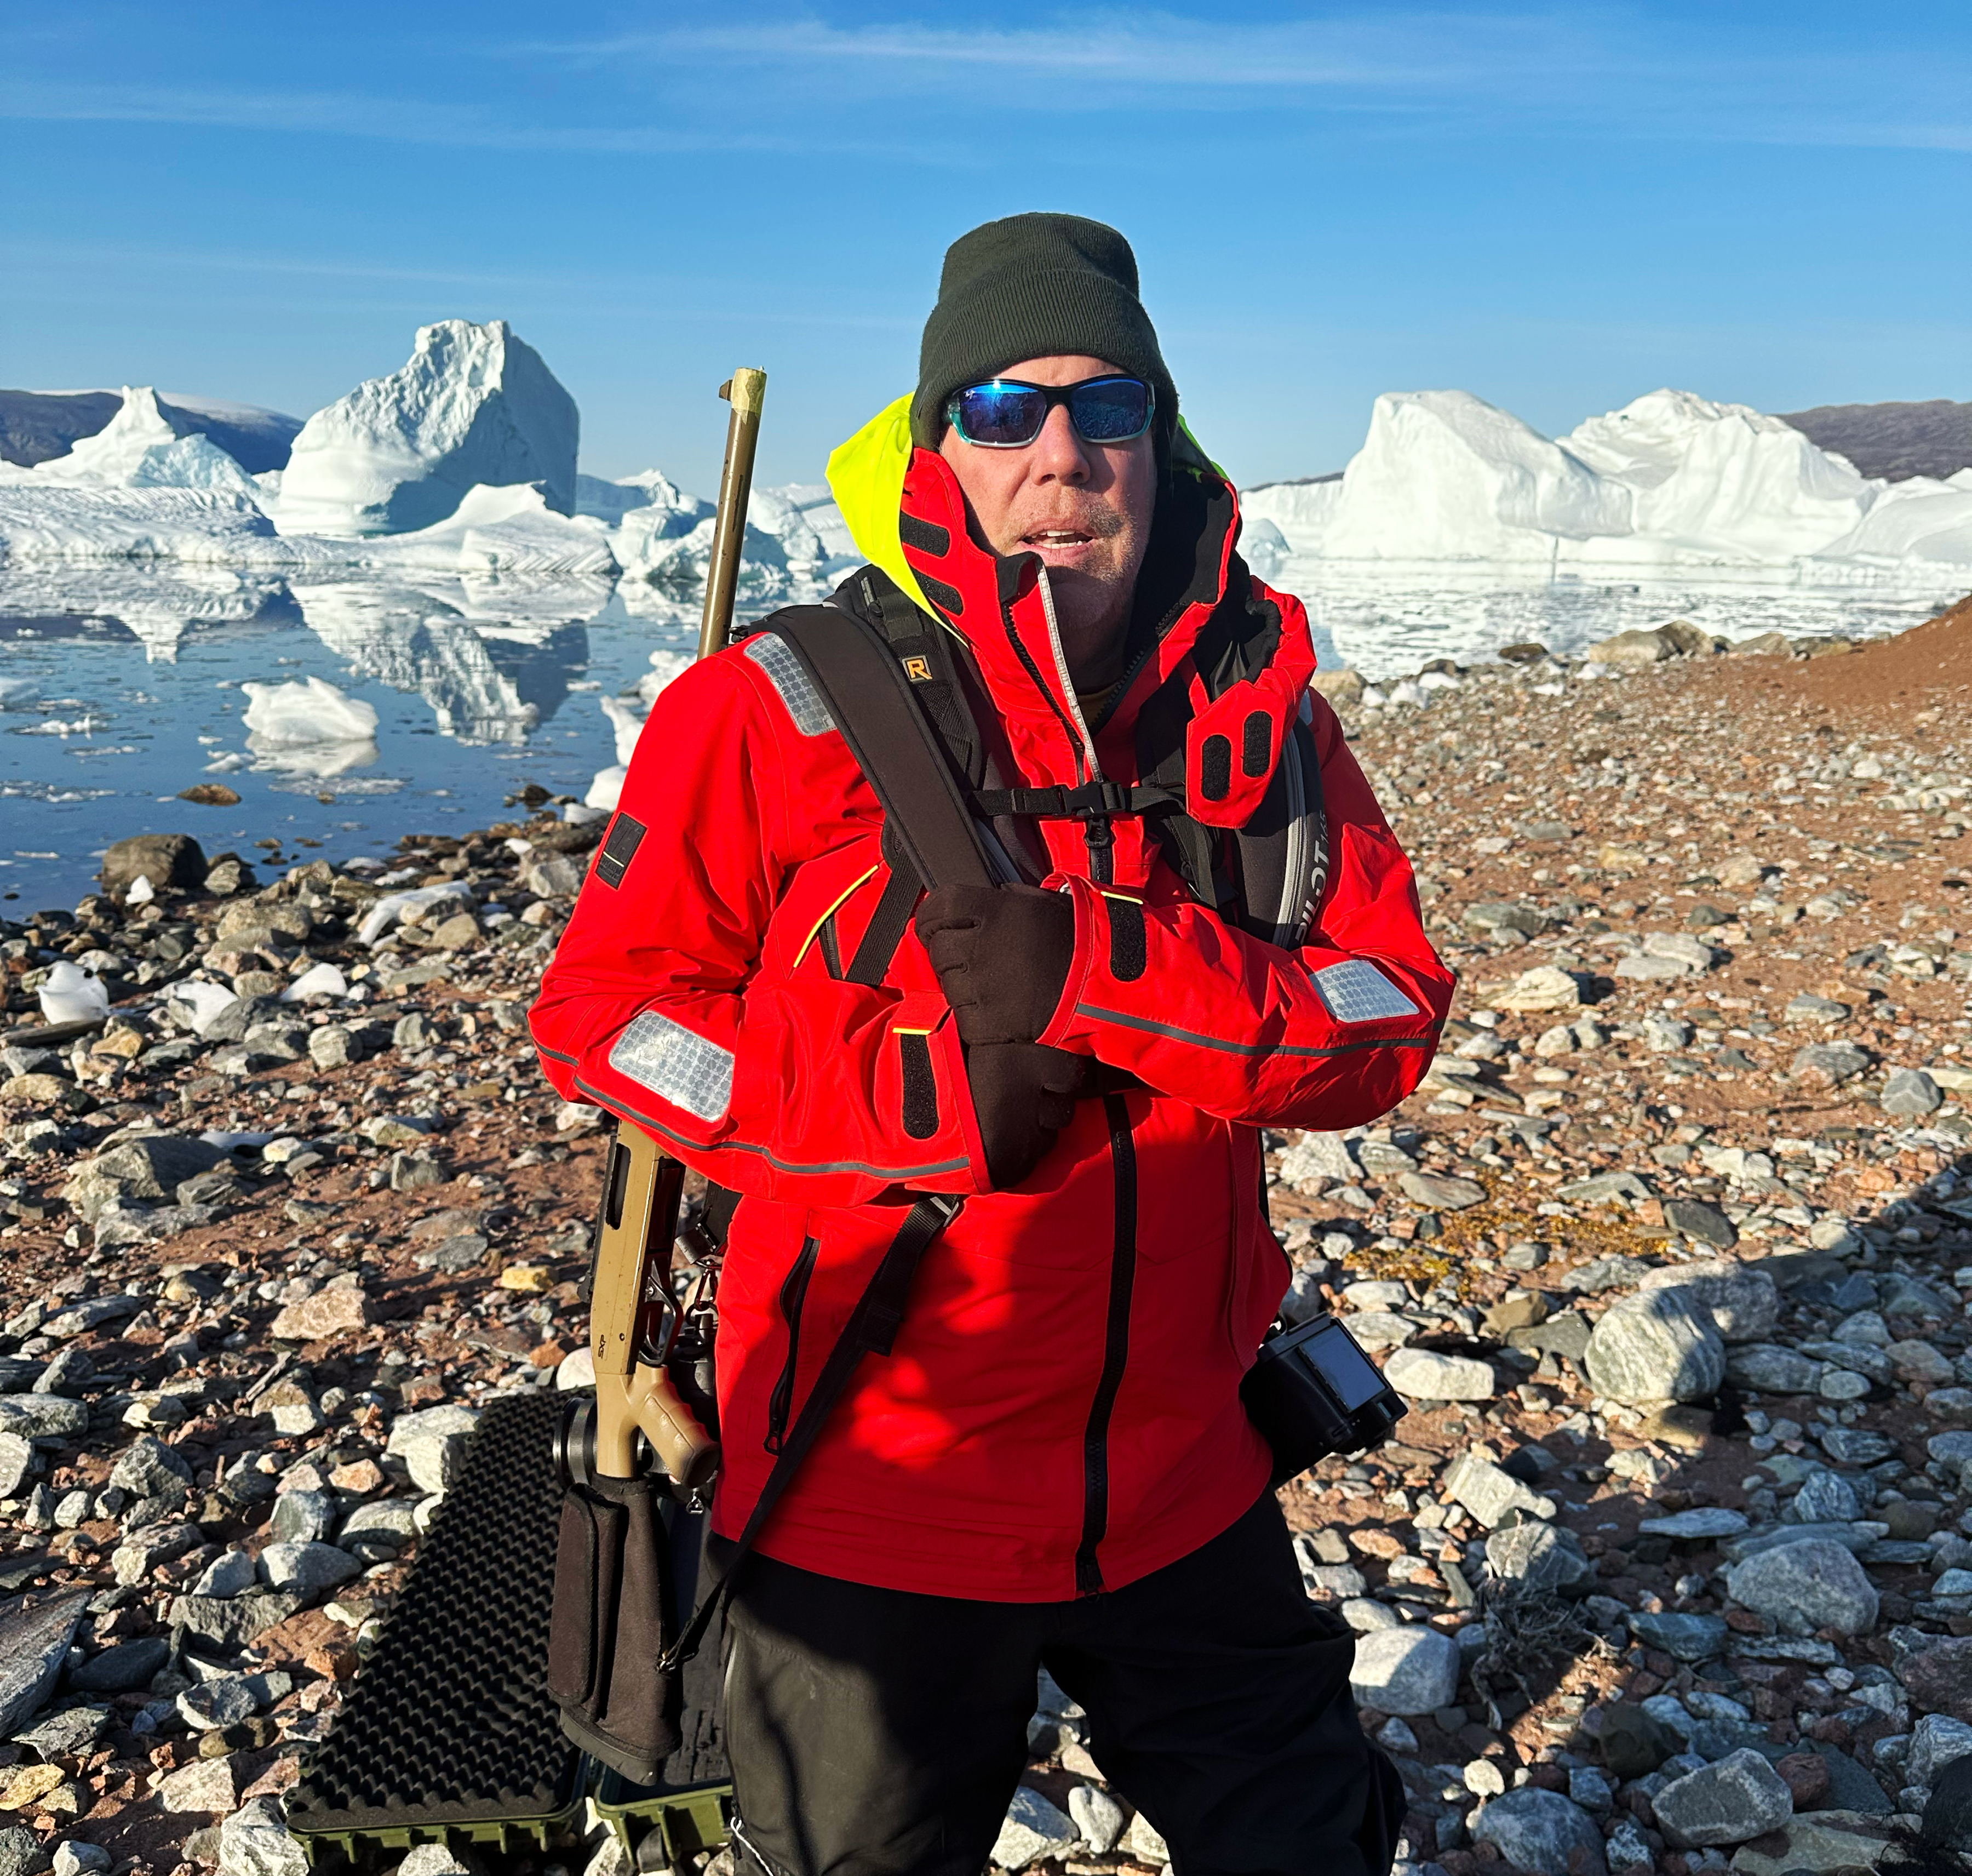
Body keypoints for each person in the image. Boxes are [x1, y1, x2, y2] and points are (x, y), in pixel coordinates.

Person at [531, 212, 1454, 1876]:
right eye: (1002, 408)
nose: (1059, 453)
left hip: (1185, 1470)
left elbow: (1384, 1017)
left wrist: (1110, 970)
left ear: (1160, 448)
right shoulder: (776, 707)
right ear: (938, 445)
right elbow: (610, 1020)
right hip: (869, 1490)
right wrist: (905, 1103)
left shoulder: (1266, 723)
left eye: (1107, 409)